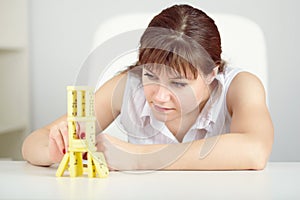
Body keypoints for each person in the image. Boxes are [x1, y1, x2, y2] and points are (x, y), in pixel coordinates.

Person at [22, 4, 273, 170]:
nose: (160, 96)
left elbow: (255, 151)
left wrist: (141, 158)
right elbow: (33, 143)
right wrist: (54, 151)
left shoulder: (240, 86)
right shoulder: (127, 86)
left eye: (178, 83)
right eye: (151, 76)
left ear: (211, 73)